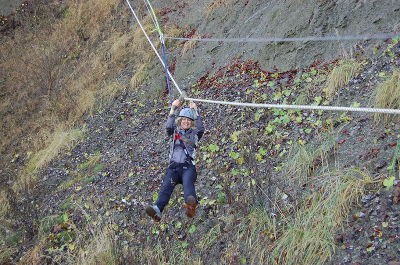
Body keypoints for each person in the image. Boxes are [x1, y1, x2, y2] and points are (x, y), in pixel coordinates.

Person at [145, 99, 205, 221]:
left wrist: (195, 110)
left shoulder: (194, 134)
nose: (186, 122)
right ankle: (157, 210)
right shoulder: (174, 132)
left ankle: (191, 206)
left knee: (188, 187)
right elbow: (168, 125)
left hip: (188, 167)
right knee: (165, 188)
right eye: (184, 119)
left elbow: (201, 128)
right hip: (173, 168)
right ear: (180, 121)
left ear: (191, 122)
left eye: (188, 120)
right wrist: (173, 108)